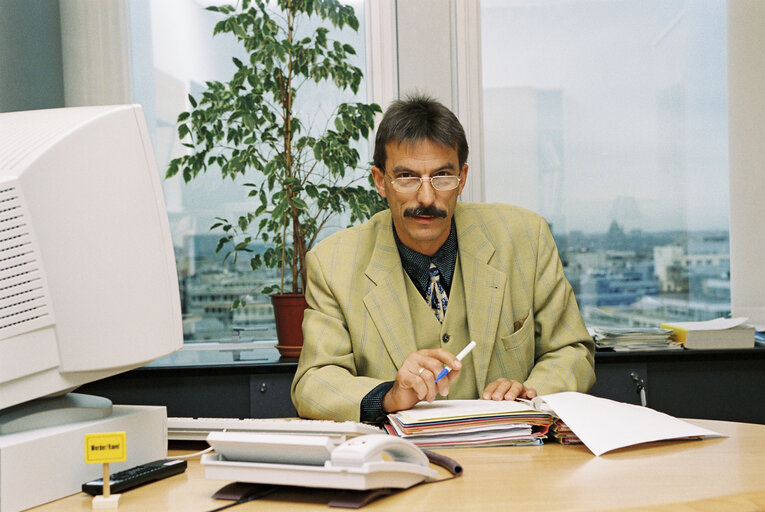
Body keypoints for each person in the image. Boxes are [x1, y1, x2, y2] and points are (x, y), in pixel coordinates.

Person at [291, 94, 595, 422]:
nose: (426, 197)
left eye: (442, 177)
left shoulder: (526, 238)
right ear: (381, 182)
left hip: (516, 454)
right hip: (399, 462)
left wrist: (532, 393)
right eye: (406, 177)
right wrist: (389, 395)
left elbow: (571, 351)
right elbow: (313, 382)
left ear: (462, 178)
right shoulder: (333, 262)